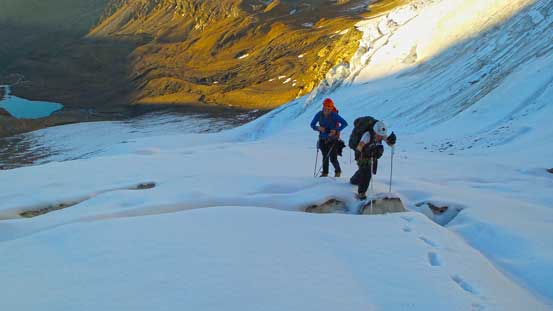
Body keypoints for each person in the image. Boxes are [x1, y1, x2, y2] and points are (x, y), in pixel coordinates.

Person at [350, 120, 396, 200]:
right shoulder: (367, 135)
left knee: (364, 172)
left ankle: (354, 180)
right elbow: (359, 148)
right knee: (366, 173)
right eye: (378, 135)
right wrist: (360, 158)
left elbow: (388, 142)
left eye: (381, 136)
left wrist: (391, 141)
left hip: (372, 155)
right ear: (374, 131)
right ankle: (361, 193)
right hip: (362, 156)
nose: (380, 137)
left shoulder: (381, 134)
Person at [310, 98, 348, 177]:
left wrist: (336, 130)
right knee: (325, 156)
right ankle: (325, 173)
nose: (327, 111)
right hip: (322, 139)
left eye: (329, 109)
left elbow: (344, 123)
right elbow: (312, 125)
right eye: (325, 109)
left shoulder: (334, 115)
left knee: (333, 158)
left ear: (331, 108)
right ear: (323, 107)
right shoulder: (319, 114)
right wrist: (318, 128)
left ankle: (338, 171)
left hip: (332, 139)